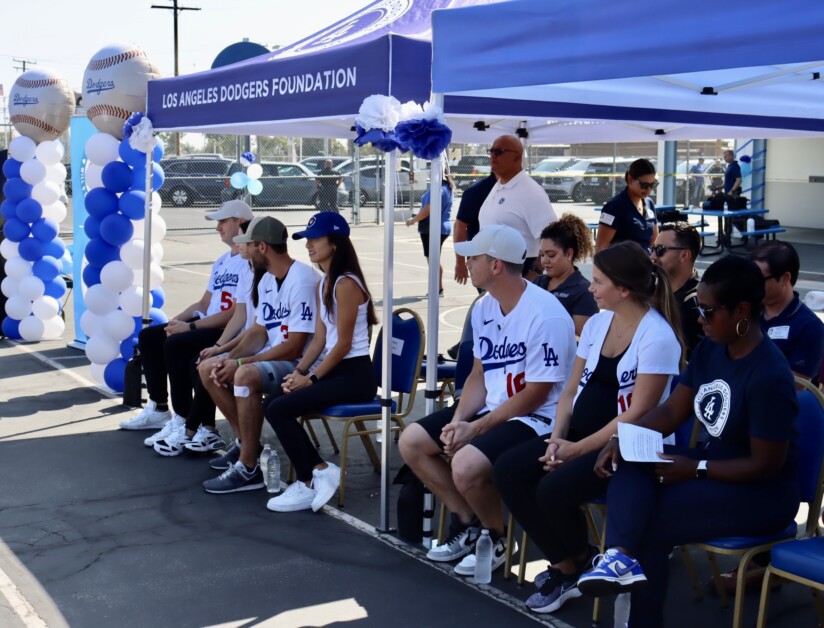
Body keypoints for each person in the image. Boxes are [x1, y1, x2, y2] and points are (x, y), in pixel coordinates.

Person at [575, 255, 799, 628]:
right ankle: (620, 557)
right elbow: (671, 412)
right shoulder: (713, 347)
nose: (700, 319)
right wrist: (625, 437)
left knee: (654, 519)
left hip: (762, 492)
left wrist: (696, 468)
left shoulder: (769, 376)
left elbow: (766, 465)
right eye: (699, 307)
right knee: (630, 457)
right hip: (714, 467)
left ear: (742, 311)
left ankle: (641, 618)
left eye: (709, 311)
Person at [494, 241, 683, 614]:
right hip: (578, 439)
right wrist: (558, 438)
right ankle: (572, 562)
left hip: (625, 447)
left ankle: (572, 564)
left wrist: (575, 451)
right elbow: (569, 391)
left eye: (598, 282)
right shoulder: (598, 323)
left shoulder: (657, 337)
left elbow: (638, 412)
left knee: (552, 488)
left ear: (624, 289)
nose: (590, 289)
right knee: (509, 470)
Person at [399, 225, 577, 577]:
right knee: (413, 441)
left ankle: (495, 536)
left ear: (496, 265)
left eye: (474, 257)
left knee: (464, 462)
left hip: (538, 417)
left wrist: (476, 428)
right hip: (494, 408)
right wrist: (459, 418)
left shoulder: (547, 314)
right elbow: (480, 374)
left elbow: (538, 393)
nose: (466, 262)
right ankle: (468, 522)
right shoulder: (484, 308)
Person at [264, 212, 379, 513]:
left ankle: (311, 477)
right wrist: (299, 371)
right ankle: (314, 473)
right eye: (307, 239)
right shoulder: (325, 283)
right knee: (275, 401)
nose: (309, 245)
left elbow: (342, 345)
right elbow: (318, 339)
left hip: (355, 375)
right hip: (335, 370)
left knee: (280, 409)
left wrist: (311, 380)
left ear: (336, 243)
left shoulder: (346, 284)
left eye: (315, 239)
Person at [196, 216, 320, 493]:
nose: (244, 252)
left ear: (262, 247)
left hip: (302, 365)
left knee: (244, 374)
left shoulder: (302, 281)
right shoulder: (266, 281)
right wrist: (228, 358)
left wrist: (241, 362)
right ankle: (246, 444)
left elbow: (295, 346)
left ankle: (249, 465)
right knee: (209, 368)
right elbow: (259, 332)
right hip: (276, 357)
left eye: (248, 245)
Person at [119, 200, 253, 432]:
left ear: (240, 222)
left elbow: (235, 313)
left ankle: (184, 419)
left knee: (176, 345)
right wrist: (176, 321)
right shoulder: (222, 261)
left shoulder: (248, 262)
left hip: (226, 330)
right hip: (206, 324)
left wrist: (190, 328)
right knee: (152, 336)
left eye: (222, 221)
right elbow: (204, 302)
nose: (217, 227)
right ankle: (159, 407)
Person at [147, 219, 263, 455]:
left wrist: (209, 340)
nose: (218, 227)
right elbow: (223, 309)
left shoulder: (263, 272)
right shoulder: (234, 265)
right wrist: (176, 323)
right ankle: (177, 416)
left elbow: (242, 321)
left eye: (244, 241)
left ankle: (198, 427)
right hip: (240, 336)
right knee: (157, 338)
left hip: (251, 341)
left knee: (194, 357)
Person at [478, 135, 556, 279]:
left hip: (518, 272)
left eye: (499, 152)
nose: (493, 156)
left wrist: (535, 273)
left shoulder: (530, 192)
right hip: (493, 271)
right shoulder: (499, 186)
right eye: (491, 151)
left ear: (517, 156)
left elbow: (553, 239)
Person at [750, 240, 824, 382]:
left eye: (759, 279)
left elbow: (796, 385)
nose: (752, 286)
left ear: (785, 278)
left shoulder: (810, 327)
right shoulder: (747, 313)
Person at [534, 214, 598, 336]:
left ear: (569, 253)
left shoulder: (584, 291)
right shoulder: (537, 282)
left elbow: (581, 339)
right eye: (542, 255)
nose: (544, 261)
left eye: (551, 255)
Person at [651, 222, 704, 356]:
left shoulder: (699, 302)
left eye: (660, 250)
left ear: (685, 255)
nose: (653, 256)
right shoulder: (650, 291)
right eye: (652, 249)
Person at [406, 171, 454, 296]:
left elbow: (428, 209)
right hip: (442, 227)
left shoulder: (437, 189)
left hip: (433, 228)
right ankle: (438, 288)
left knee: (432, 260)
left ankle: (437, 289)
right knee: (434, 259)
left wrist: (413, 220)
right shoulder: (447, 188)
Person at [595, 158, 659, 254]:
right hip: (622, 266)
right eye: (644, 185)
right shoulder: (614, 207)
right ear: (630, 179)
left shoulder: (649, 204)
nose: (649, 190)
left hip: (645, 265)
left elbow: (654, 240)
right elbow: (601, 247)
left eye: (652, 185)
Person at [454, 173, 496, 286]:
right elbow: (459, 226)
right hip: (481, 257)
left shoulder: (520, 189)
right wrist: (460, 262)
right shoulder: (476, 191)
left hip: (511, 259)